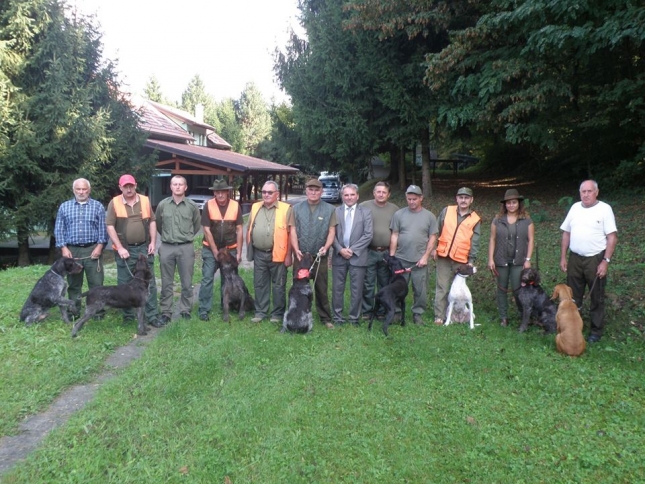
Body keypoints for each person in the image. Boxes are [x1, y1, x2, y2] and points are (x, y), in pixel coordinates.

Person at [560, 180, 617, 343]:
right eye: (583, 191)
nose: (586, 194)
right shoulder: (575, 208)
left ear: (596, 192)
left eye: (589, 191)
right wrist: (563, 257)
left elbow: (612, 237)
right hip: (575, 258)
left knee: (596, 296)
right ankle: (574, 326)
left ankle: (595, 331)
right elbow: (566, 233)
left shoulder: (605, 209)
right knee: (572, 296)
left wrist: (605, 261)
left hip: (595, 259)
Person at [105, 174, 162, 328]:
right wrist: (120, 247)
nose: (129, 189)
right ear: (120, 187)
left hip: (144, 247)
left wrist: (153, 243)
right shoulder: (114, 203)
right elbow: (110, 226)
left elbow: (152, 221)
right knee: (124, 283)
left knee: (149, 283)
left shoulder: (144, 200)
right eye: (125, 186)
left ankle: (152, 315)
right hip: (125, 250)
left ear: (135, 185)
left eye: (131, 185)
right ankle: (128, 316)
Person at [54, 178, 108, 314]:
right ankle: (74, 310)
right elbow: (59, 229)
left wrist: (99, 247)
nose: (81, 192)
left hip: (92, 249)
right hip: (72, 251)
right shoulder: (64, 207)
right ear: (74, 190)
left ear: (89, 190)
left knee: (96, 283)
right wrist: (63, 248)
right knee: (73, 284)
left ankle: (97, 311)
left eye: (84, 189)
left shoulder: (98, 206)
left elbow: (103, 229)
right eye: (78, 189)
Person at [289, 178, 337, 329]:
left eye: (317, 190)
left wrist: (326, 247)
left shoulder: (330, 209)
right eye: (310, 189)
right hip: (301, 256)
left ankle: (325, 317)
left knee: (321, 287)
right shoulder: (296, 208)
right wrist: (296, 249)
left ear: (321, 192)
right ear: (306, 190)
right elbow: (293, 230)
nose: (313, 192)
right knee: (297, 287)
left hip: (319, 257)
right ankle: (295, 311)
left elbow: (331, 231)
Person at [155, 175, 201, 323]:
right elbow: (159, 225)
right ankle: (166, 312)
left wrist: (185, 236)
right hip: (167, 247)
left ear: (185, 187)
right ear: (171, 187)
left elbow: (196, 225)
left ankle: (185, 310)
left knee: (187, 282)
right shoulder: (163, 205)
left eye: (181, 184)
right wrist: (168, 237)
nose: (178, 187)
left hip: (185, 247)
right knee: (166, 282)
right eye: (175, 184)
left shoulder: (192, 206)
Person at [389, 185, 438, 325]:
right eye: (409, 199)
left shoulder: (429, 216)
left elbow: (433, 238)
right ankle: (397, 312)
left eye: (414, 199)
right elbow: (395, 235)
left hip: (419, 261)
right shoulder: (399, 214)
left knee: (420, 289)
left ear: (421, 198)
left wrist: (425, 257)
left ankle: (418, 314)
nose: (411, 202)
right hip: (401, 259)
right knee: (397, 287)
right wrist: (392, 257)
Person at [432, 187, 481, 325]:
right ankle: (439, 316)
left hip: (461, 259)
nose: (463, 200)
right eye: (461, 197)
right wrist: (434, 248)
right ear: (456, 198)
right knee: (442, 286)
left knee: (459, 289)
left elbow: (475, 242)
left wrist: (471, 261)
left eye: (466, 198)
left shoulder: (475, 219)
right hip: (443, 255)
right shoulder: (446, 211)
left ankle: (459, 313)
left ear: (471, 200)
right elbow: (437, 230)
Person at [197, 179, 244, 321]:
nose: (220, 194)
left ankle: (227, 306)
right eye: (217, 192)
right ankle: (204, 309)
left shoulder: (235, 206)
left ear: (227, 192)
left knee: (229, 279)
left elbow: (240, 229)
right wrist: (215, 251)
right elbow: (206, 229)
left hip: (230, 250)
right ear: (214, 193)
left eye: (223, 191)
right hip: (211, 248)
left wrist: (240, 252)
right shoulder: (208, 206)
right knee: (207, 278)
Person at [247, 180, 292, 323]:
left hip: (278, 253)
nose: (266, 195)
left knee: (279, 284)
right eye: (264, 192)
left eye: (270, 192)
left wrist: (288, 255)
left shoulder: (286, 209)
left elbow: (291, 234)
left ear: (277, 194)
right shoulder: (255, 207)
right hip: (259, 252)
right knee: (259, 283)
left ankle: (277, 314)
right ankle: (260, 312)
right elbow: (249, 227)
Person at [487, 188, 534, 327]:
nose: (511, 205)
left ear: (519, 203)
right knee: (501, 288)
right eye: (508, 203)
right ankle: (503, 317)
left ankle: (524, 315)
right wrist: (490, 259)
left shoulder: (527, 220)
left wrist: (528, 260)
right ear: (504, 204)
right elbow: (492, 239)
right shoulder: (497, 220)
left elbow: (531, 240)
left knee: (518, 288)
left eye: (514, 202)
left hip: (519, 260)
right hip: (501, 259)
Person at [331, 184, 373, 325]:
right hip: (339, 255)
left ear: (357, 196)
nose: (349, 197)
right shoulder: (335, 211)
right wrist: (340, 249)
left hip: (358, 256)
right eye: (346, 195)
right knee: (337, 288)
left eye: (352, 195)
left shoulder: (365, 212)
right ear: (342, 196)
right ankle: (337, 317)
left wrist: (352, 250)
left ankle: (354, 317)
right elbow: (331, 234)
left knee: (357, 289)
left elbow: (368, 235)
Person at [360, 181, 399, 320]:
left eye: (384, 192)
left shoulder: (394, 209)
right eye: (378, 191)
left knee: (384, 283)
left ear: (388, 194)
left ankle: (382, 310)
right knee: (368, 282)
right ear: (374, 193)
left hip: (386, 252)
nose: (381, 194)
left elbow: (397, 230)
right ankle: (367, 311)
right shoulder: (364, 206)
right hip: (369, 251)